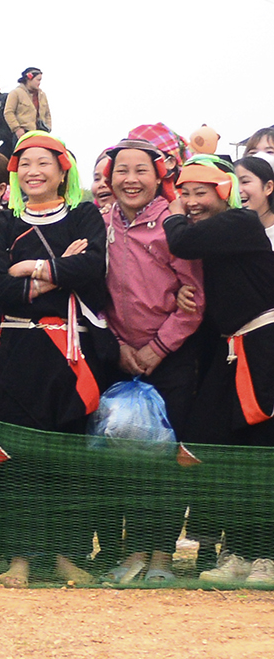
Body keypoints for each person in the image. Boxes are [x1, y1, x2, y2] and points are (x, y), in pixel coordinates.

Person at [0, 132, 114, 441]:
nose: (33, 171)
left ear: (62, 171)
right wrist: (61, 271)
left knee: (69, 449)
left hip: (72, 352)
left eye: (43, 163)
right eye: (24, 164)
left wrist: (30, 268)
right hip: (18, 352)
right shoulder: (6, 223)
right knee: (15, 448)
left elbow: (92, 267)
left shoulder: (83, 215)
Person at [164, 155, 274, 451]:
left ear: (225, 192)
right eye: (184, 193)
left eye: (201, 192)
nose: (190, 202)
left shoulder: (241, 221)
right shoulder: (214, 232)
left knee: (261, 434)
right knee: (204, 437)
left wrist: (172, 214)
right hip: (233, 347)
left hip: (263, 346)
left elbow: (181, 242)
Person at [100, 140, 203, 443]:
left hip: (171, 358)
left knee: (165, 451)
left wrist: (158, 348)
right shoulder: (100, 222)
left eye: (141, 171)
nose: (130, 180)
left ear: (159, 178)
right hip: (118, 358)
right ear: (110, 178)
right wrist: (115, 345)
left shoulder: (173, 226)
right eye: (122, 171)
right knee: (115, 450)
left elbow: (194, 299)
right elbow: (91, 293)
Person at [3, 68, 50, 143]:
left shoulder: (42, 95)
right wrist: (17, 129)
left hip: (41, 134)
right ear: (29, 78)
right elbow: (8, 112)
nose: (39, 83)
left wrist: (48, 128)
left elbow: (47, 114)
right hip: (23, 134)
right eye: (38, 80)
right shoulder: (15, 93)